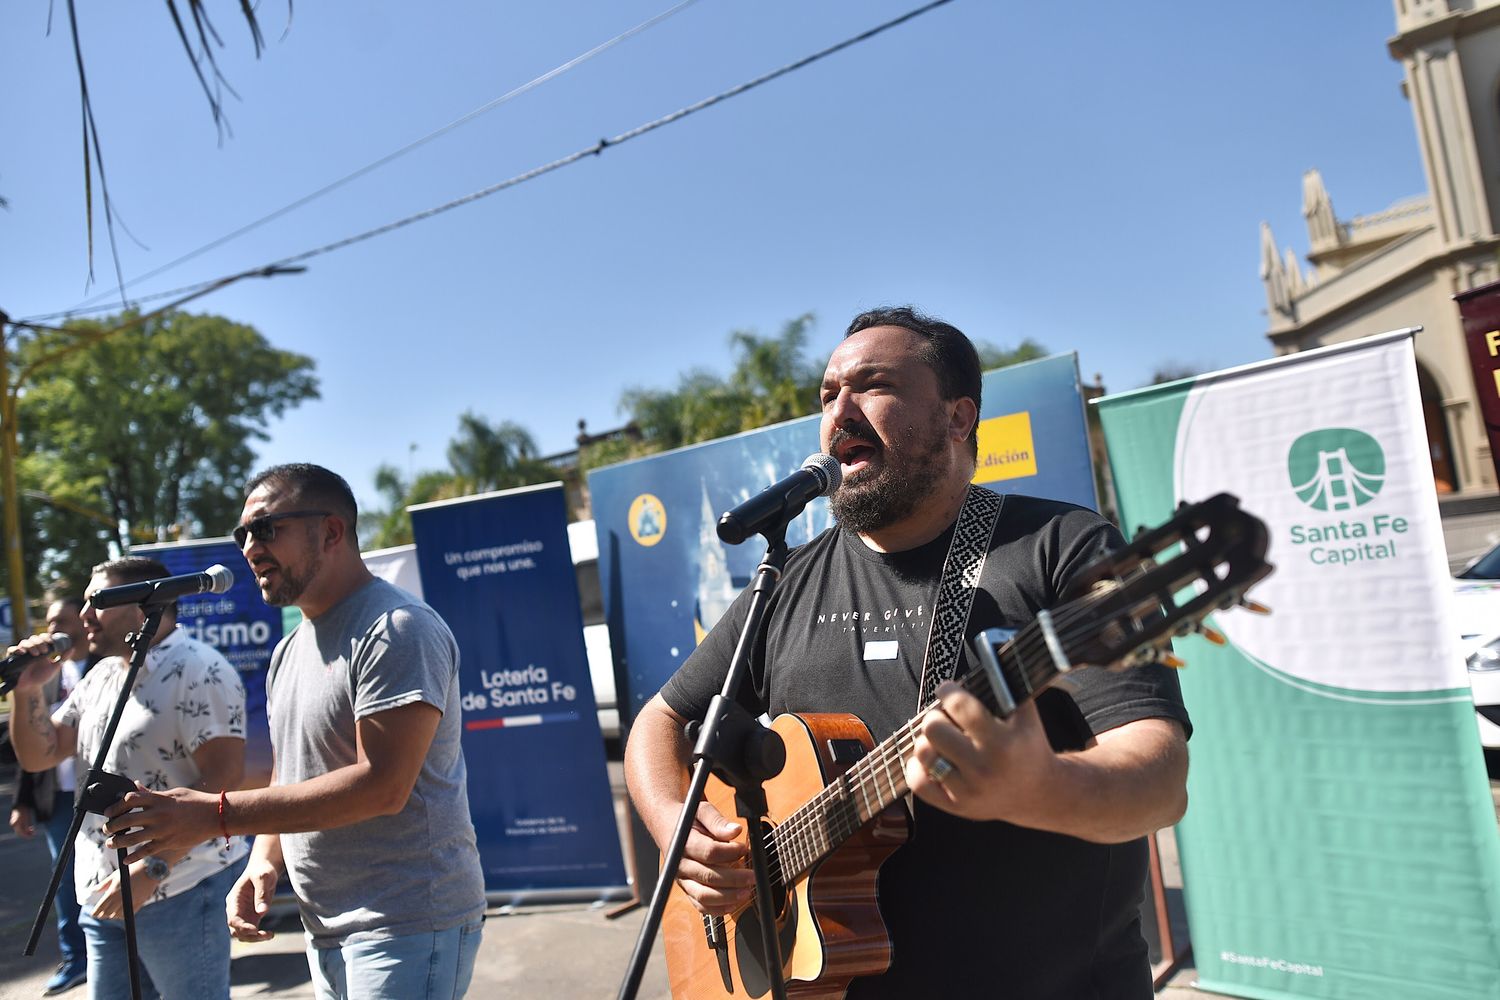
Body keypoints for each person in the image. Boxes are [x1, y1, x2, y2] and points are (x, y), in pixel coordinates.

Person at [623, 306, 1192, 998]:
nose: (840, 411)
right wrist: (679, 832)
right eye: (828, 394)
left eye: (873, 385)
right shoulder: (786, 581)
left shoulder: (1062, 548)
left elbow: (1159, 780)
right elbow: (658, 722)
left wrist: (1039, 788)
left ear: (957, 418)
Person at [102, 463, 486, 1000]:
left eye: (265, 529)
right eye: (242, 535)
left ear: (331, 531)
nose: (249, 548)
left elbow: (383, 786)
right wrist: (263, 860)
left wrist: (214, 816)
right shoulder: (290, 649)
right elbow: (294, 766)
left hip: (408, 919)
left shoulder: (396, 628)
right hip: (325, 923)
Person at [8, 558, 249, 1000]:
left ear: (143, 607)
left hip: (178, 887)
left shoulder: (202, 671)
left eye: (96, 603)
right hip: (103, 891)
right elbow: (40, 753)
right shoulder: (103, 674)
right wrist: (27, 692)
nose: (83, 618)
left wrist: (153, 868)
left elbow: (224, 784)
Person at [9, 597, 91, 996]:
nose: (54, 626)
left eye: (63, 618)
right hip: (56, 796)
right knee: (64, 881)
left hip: (96, 794)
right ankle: (76, 959)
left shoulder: (107, 665)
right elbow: (34, 737)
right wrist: (22, 802)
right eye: (50, 619)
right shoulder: (47, 672)